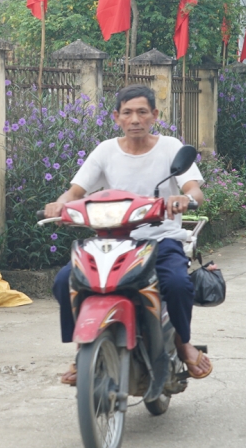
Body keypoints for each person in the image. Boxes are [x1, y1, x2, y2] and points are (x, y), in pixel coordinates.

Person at [44, 84, 213, 386]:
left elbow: (193, 187)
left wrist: (185, 198)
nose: (135, 119)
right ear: (116, 117)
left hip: (161, 239)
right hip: (112, 241)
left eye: (142, 112)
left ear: (154, 116)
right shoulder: (106, 151)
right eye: (128, 113)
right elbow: (75, 191)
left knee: (176, 283)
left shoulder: (170, 147)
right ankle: (83, 349)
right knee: (64, 281)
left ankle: (183, 342)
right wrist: (60, 204)